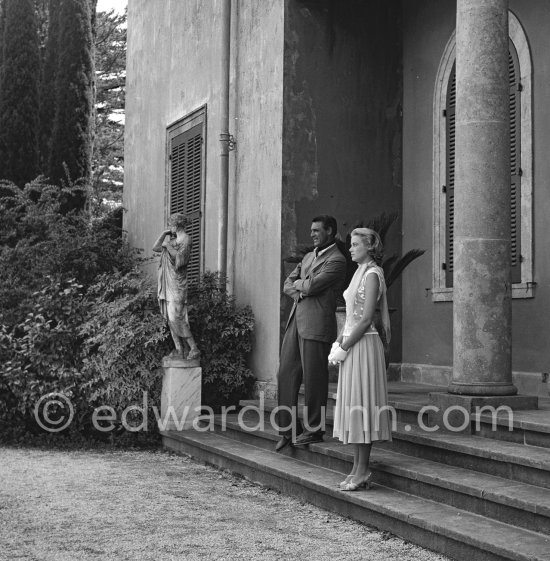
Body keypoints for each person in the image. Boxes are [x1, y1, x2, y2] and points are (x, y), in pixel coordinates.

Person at [275, 215, 347, 451]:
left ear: (330, 231)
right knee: (285, 373)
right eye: (311, 230)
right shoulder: (308, 257)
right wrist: (300, 288)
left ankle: (314, 429)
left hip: (316, 324)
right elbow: (288, 283)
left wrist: (301, 285)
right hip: (295, 320)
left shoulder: (337, 260)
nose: (312, 234)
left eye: (317, 230)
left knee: (315, 378)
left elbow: (314, 285)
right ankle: (287, 430)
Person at [329, 227, 392, 491]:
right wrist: (341, 342)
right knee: (355, 406)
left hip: (364, 345)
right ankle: (357, 467)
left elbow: (367, 319)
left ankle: (363, 468)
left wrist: (345, 345)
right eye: (351, 244)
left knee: (363, 407)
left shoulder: (372, 273)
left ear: (368, 246)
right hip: (354, 343)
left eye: (355, 244)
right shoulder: (358, 271)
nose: (351, 248)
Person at [152, 213, 200, 360]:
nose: (170, 227)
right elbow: (155, 248)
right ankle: (179, 350)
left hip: (178, 284)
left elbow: (181, 261)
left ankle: (194, 348)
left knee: (176, 318)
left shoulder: (186, 239)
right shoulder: (172, 240)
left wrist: (168, 246)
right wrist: (164, 235)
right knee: (169, 317)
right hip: (169, 284)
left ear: (177, 225)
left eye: (170, 224)